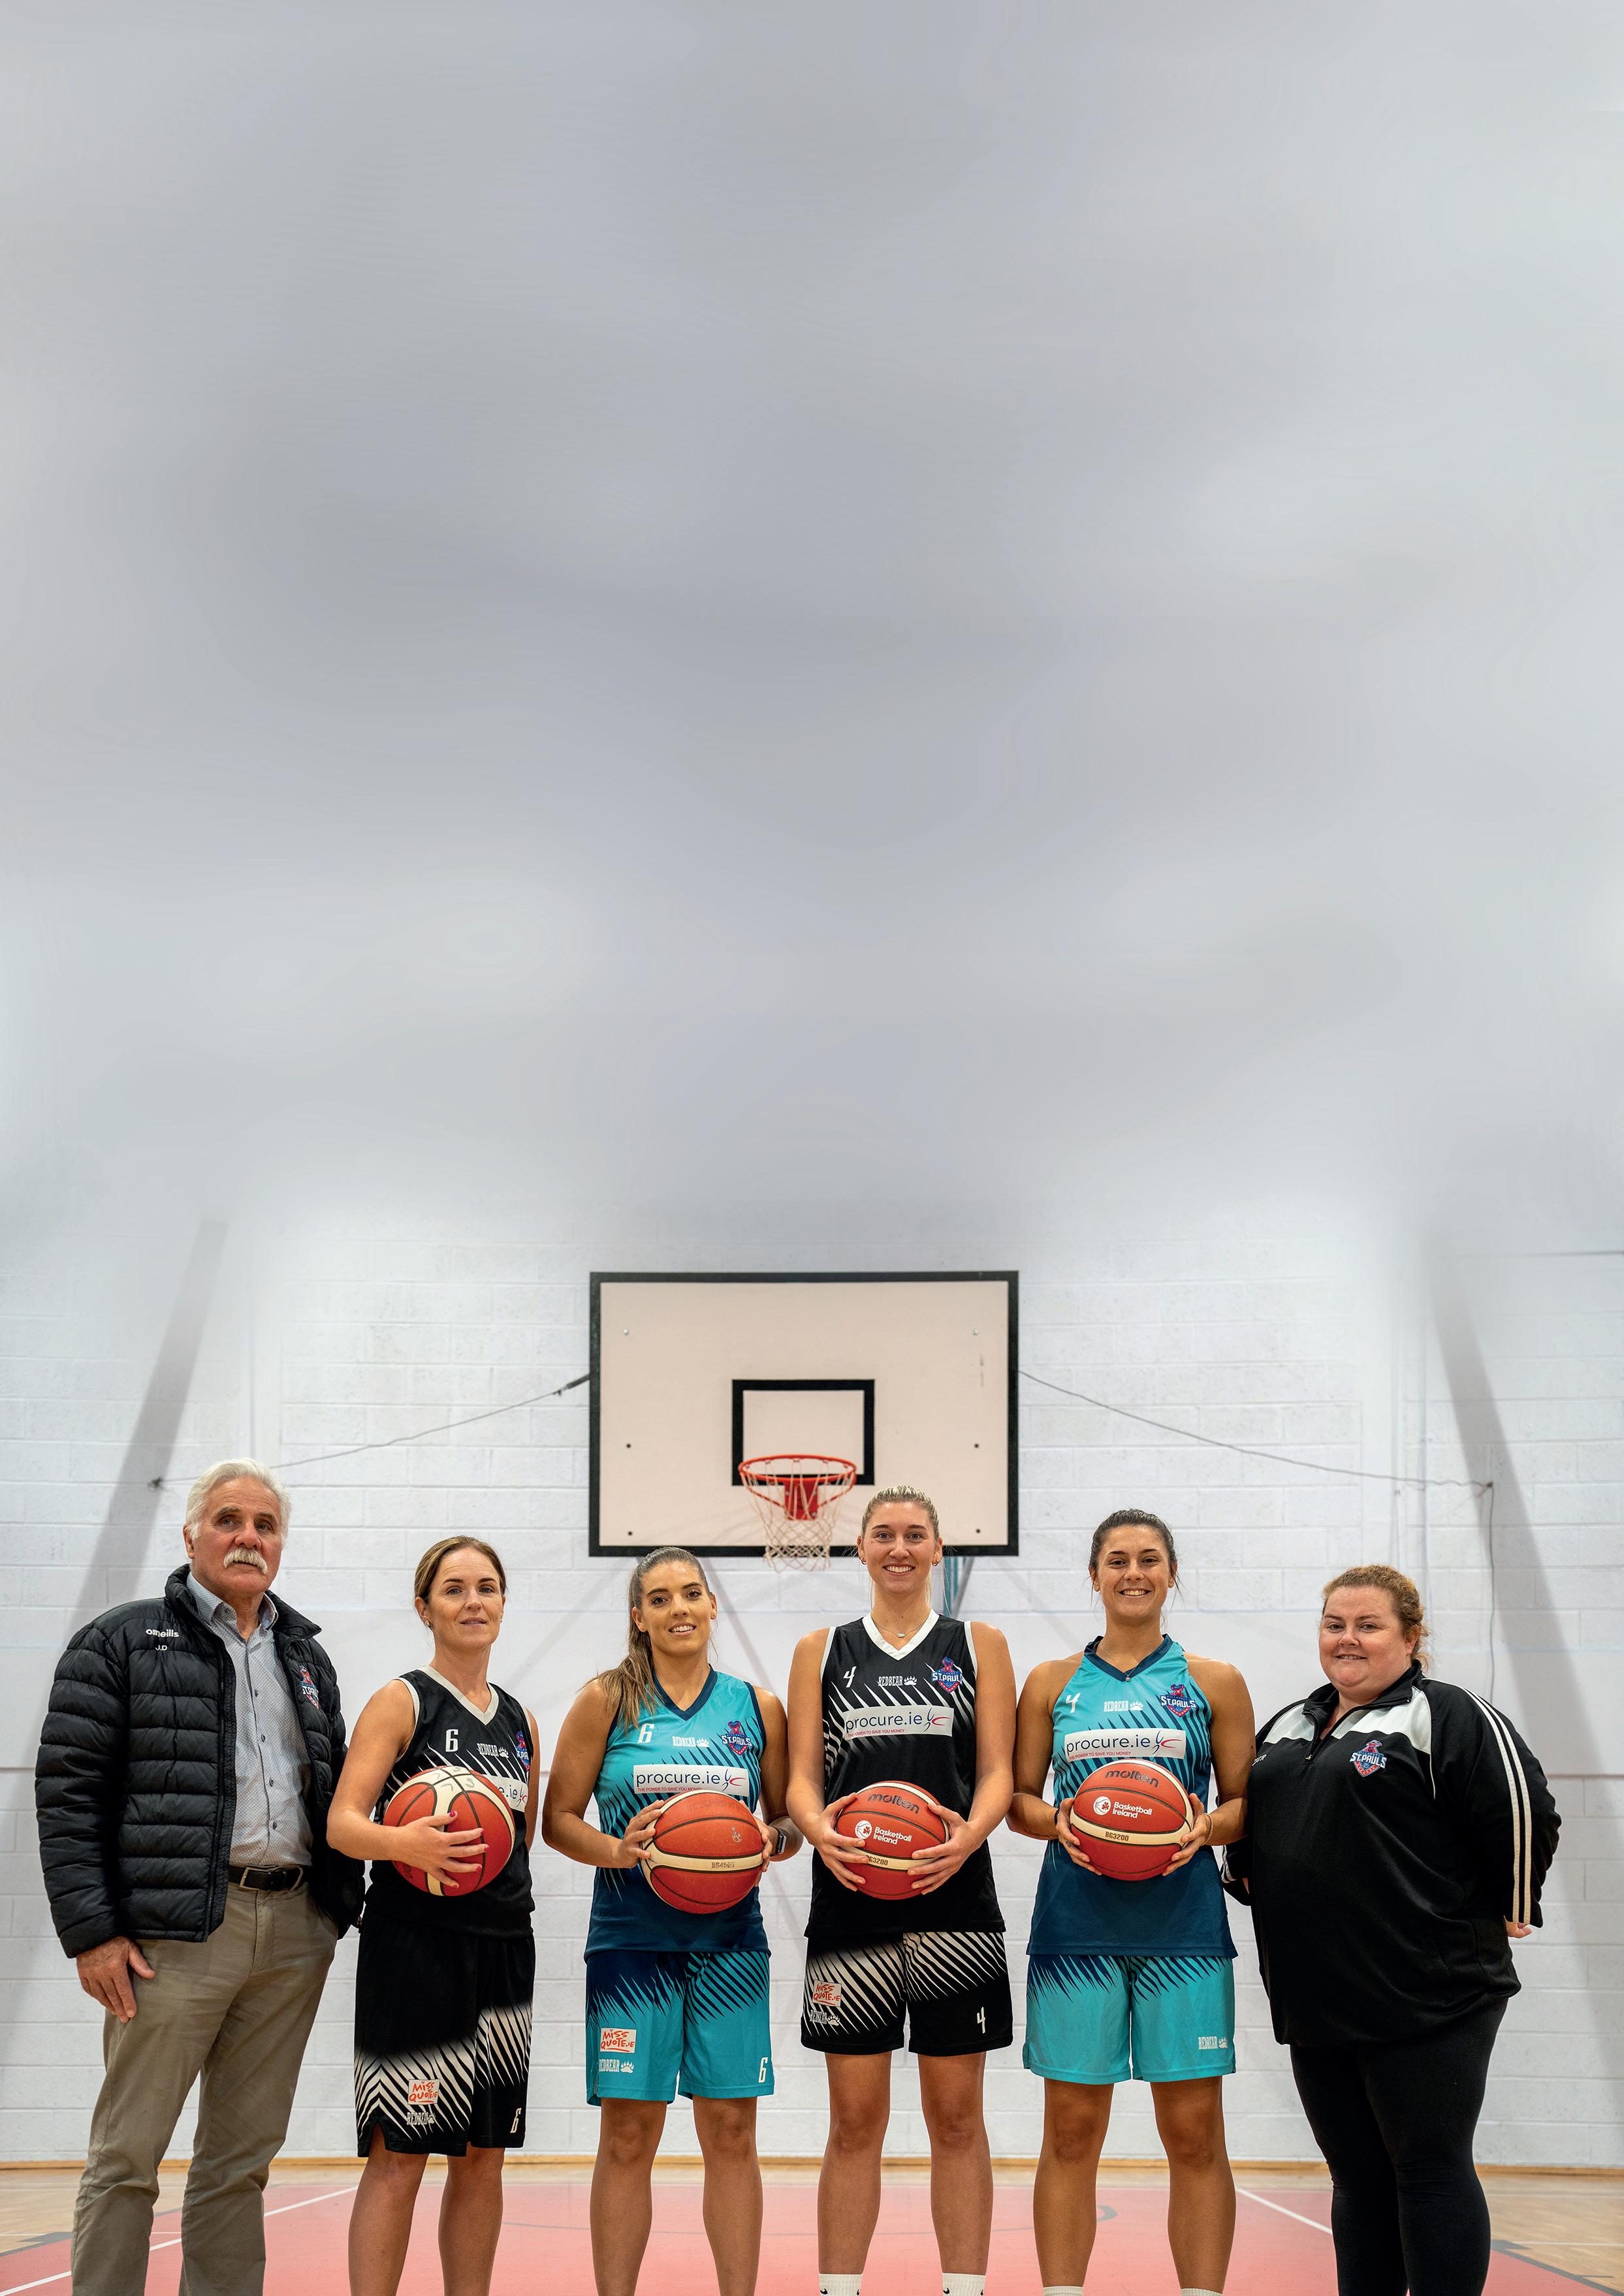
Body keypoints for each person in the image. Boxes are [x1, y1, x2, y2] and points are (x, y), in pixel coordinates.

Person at [35, 1457, 362, 2296]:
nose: (248, 1537)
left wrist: (335, 1908)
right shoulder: (121, 1639)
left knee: (240, 2160)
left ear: (281, 1544)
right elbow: (69, 1791)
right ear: (191, 1535)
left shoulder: (307, 1657)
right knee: (126, 2157)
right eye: (229, 1520)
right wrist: (93, 1931)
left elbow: (332, 1785)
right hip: (171, 1938)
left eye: (265, 1525)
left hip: (293, 1933)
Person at [1226, 1563, 1560, 2296]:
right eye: (1334, 1624)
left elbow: (1524, 1803)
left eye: (1368, 1625)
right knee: (1356, 2177)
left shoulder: (1445, 1712)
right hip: (1317, 1996)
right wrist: (1242, 1870)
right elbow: (1255, 1820)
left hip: (1429, 1991)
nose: (1347, 1638)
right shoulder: (1287, 1724)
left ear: (1410, 1637)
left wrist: (1515, 1896)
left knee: (1428, 2169)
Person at [1008, 1507, 1254, 2296]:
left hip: (1185, 1929)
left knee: (1195, 2132)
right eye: (1117, 1560)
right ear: (1094, 1575)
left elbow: (1247, 1802)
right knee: (1071, 2131)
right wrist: (1058, 1822)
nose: (1133, 1572)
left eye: (1149, 1558)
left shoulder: (1214, 1680)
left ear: (1171, 1573)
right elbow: (1018, 1799)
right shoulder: (1052, 1682)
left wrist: (1205, 1827)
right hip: (1075, 1928)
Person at [543, 1545, 798, 2296]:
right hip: (631, 1946)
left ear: (712, 1605)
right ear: (638, 1616)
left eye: (691, 1593)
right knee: (628, 2134)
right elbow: (558, 1819)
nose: (678, 1608)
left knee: (732, 2132)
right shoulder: (606, 1700)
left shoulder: (757, 1706)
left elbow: (789, 1821)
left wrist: (769, 1839)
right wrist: (618, 1851)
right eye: (660, 1598)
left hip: (732, 1946)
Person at [786, 1486, 1017, 2296]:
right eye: (883, 1534)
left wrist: (969, 1835)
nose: (899, 1548)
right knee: (854, 2121)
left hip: (956, 1906)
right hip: (850, 1903)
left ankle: (965, 2288)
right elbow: (802, 1779)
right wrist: (818, 1831)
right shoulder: (821, 1649)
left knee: (956, 2118)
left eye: (915, 1534)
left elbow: (998, 1770)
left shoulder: (979, 1643)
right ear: (860, 1549)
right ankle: (839, 2288)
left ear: (937, 1548)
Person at [326, 1537, 539, 2296]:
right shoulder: (403, 1700)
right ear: (425, 1607)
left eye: (486, 1586)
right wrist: (403, 1843)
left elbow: (517, 1842)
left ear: (504, 1602)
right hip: (415, 1946)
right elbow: (343, 1823)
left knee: (484, 2155)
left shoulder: (521, 1720)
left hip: (505, 1948)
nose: (472, 1601)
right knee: (401, 2154)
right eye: (454, 1589)